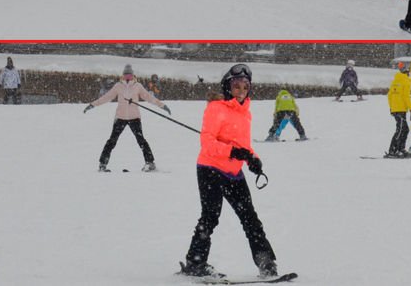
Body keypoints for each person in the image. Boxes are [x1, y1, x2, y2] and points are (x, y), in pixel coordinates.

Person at [179, 64, 279, 279]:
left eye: (245, 86)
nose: (241, 90)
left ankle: (266, 263)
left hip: (233, 173)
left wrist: (253, 159)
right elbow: (207, 142)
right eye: (236, 86)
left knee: (250, 219)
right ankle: (195, 263)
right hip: (210, 169)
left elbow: (244, 145)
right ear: (228, 86)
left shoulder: (246, 113)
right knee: (210, 217)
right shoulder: (216, 108)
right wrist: (233, 151)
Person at [83, 64, 169, 173]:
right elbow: (106, 97)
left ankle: (150, 163)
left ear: (133, 75)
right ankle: (102, 164)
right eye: (126, 75)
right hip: (120, 117)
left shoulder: (137, 86)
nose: (128, 77)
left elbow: (149, 97)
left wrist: (162, 106)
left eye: (129, 75)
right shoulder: (118, 86)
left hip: (134, 118)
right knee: (112, 141)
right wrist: (93, 104)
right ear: (123, 75)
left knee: (141, 140)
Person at [386, 62, 411, 158]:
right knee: (401, 130)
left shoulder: (395, 80)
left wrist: (391, 107)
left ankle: (400, 149)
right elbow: (406, 97)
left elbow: (390, 95)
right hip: (401, 109)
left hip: (395, 109)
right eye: (408, 72)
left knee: (404, 129)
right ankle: (393, 150)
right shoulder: (405, 81)